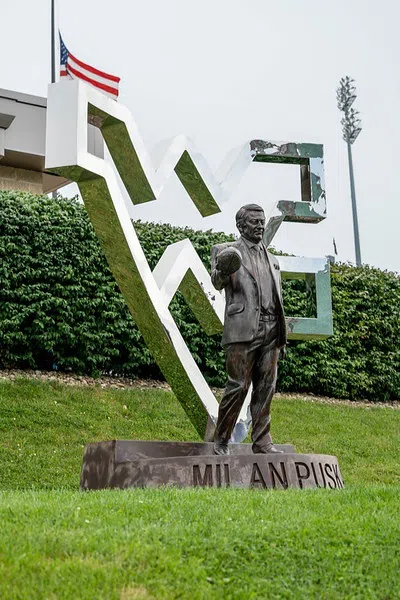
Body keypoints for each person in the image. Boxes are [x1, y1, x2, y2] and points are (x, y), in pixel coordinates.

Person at [211, 203, 287, 455]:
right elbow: (218, 282)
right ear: (241, 225)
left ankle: (263, 442)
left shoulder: (273, 260)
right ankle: (221, 440)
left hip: (271, 329)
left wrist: (280, 336)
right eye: (255, 222)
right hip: (242, 331)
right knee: (238, 386)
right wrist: (224, 267)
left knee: (266, 387)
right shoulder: (225, 251)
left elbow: (277, 298)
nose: (260, 225)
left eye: (262, 221)